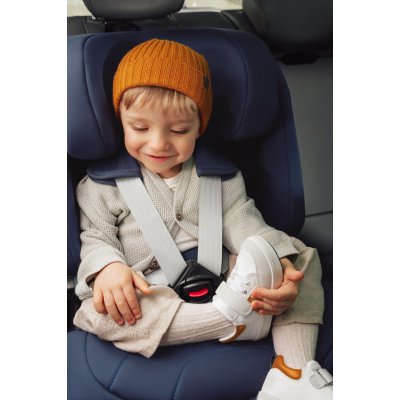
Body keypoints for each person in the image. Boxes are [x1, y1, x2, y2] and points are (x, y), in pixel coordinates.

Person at [73, 39, 332, 399]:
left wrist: (281, 266)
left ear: (200, 126)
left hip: (229, 279)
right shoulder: (101, 186)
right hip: (148, 289)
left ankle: (294, 370)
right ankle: (225, 321)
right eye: (140, 128)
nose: (158, 144)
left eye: (179, 130)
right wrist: (108, 269)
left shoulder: (220, 176)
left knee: (299, 255)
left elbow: (243, 222)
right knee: (98, 311)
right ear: (120, 121)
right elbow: (96, 238)